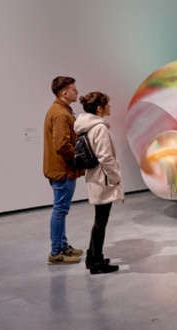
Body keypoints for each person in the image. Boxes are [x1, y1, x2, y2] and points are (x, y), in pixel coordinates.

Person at [74, 91, 124, 275]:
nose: (110, 107)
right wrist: (115, 177)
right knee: (101, 222)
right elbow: (105, 156)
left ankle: (92, 257)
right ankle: (96, 262)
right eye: (107, 105)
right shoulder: (100, 128)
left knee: (99, 221)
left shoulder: (87, 126)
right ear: (100, 108)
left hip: (95, 177)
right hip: (103, 179)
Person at [43, 76, 84, 265]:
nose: (77, 92)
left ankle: (62, 245)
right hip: (63, 171)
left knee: (61, 210)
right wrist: (79, 156)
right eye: (74, 89)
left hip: (61, 170)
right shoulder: (61, 114)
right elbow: (61, 145)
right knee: (60, 210)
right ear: (65, 93)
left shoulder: (60, 110)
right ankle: (56, 252)